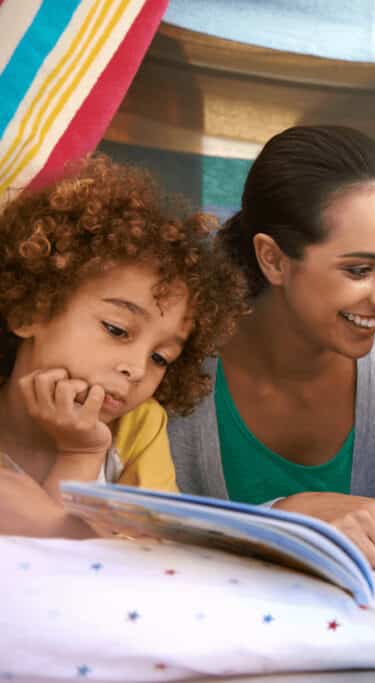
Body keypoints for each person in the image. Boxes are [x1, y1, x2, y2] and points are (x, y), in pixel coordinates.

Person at [167, 125, 375, 568]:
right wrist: (282, 518)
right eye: (360, 269)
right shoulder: (173, 353)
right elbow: (137, 535)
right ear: (274, 259)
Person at [0, 155, 249, 538]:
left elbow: (152, 554)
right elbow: (45, 562)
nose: (136, 368)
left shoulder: (139, 427)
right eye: (117, 330)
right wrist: (80, 454)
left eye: (160, 357)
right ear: (31, 309)